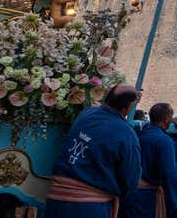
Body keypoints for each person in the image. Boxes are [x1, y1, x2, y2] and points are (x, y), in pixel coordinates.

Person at [45, 84, 142, 218]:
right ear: (129, 106)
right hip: (89, 208)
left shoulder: (86, 113)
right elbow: (131, 179)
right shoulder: (126, 133)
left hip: (56, 200)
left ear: (107, 98)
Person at [120, 103, 177, 218]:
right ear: (166, 119)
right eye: (170, 117)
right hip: (145, 198)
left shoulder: (139, 133)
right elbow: (169, 173)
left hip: (128, 193)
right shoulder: (164, 141)